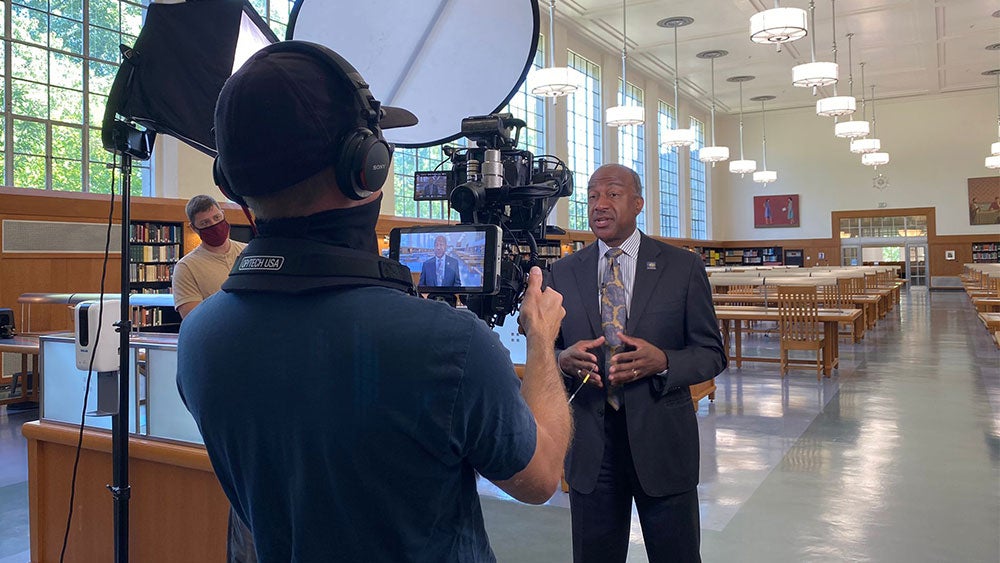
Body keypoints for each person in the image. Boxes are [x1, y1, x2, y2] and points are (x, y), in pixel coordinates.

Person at [176, 40, 571, 562]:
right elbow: (540, 478)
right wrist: (541, 342)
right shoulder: (448, 345)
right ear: (367, 166)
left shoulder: (201, 338)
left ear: (230, 181)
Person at [548, 163, 727, 563]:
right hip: (592, 448)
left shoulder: (682, 267)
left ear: (638, 203)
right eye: (593, 195)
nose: (600, 204)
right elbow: (547, 348)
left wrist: (663, 360)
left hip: (662, 443)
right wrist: (562, 358)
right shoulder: (562, 271)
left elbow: (712, 353)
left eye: (612, 194)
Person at [171, 194, 247, 319]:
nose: (214, 225)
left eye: (217, 217)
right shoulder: (186, 268)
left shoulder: (248, 252)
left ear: (223, 214)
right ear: (194, 228)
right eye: (205, 223)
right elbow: (193, 319)